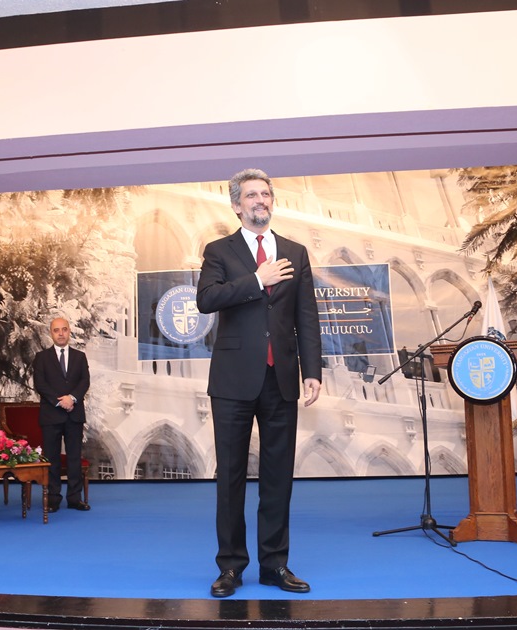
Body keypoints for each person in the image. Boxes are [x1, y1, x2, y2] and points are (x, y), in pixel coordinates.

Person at [196, 168, 322, 597]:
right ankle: (231, 567)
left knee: (277, 477)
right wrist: (256, 280)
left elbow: (306, 317)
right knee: (229, 475)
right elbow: (206, 299)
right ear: (236, 205)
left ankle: (275, 565)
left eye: (265, 194)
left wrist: (314, 371)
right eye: (251, 195)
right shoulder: (219, 251)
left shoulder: (295, 252)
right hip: (232, 380)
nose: (260, 200)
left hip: (281, 380)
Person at [32, 317, 91, 512]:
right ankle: (53, 499)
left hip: (74, 415)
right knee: (52, 459)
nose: (60, 333)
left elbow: (84, 381)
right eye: (56, 330)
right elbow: (40, 384)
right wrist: (59, 402)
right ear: (51, 333)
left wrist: (72, 398)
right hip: (51, 415)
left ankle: (74, 499)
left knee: (74, 458)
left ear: (69, 331)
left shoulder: (80, 357)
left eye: (64, 329)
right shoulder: (41, 358)